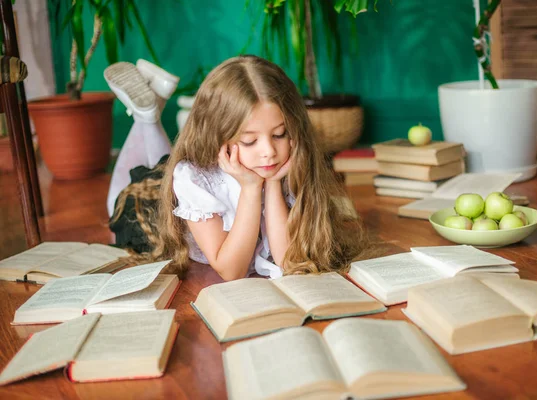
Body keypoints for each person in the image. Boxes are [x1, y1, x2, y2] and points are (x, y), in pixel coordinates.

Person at [110, 55, 368, 281]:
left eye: (279, 134)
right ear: (218, 135)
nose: (268, 150)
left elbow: (288, 261)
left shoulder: (286, 162)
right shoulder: (194, 179)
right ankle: (147, 118)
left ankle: (151, 111)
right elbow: (231, 270)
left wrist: (273, 183)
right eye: (249, 140)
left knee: (163, 163)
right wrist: (251, 188)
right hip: (146, 208)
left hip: (218, 174)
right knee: (138, 183)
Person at [104, 59, 180, 217]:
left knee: (117, 206)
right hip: (164, 217)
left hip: (159, 216)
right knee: (116, 207)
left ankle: (157, 99)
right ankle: (151, 110)